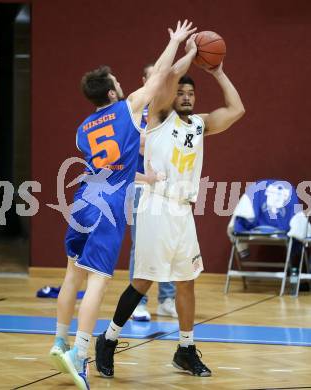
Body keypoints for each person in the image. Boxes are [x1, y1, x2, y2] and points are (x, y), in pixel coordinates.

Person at [49, 20, 197, 390]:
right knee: (98, 282)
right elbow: (162, 73)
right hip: (108, 209)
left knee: (72, 274)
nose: (121, 82)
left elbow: (112, 166)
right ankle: (80, 357)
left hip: (82, 200)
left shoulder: (83, 129)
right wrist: (178, 43)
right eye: (117, 80)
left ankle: (59, 340)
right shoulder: (129, 107)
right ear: (114, 92)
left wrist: (144, 178)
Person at [95, 33, 245, 378]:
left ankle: (186, 349)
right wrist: (188, 51)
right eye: (182, 92)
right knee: (144, 281)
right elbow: (167, 79)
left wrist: (218, 72)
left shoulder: (199, 124)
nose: (187, 97)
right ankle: (109, 338)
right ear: (170, 97)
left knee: (187, 282)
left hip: (182, 210)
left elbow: (237, 110)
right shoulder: (158, 118)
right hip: (155, 206)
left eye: (192, 93)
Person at [130, 63, 177, 322]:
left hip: (169, 187)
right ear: (145, 80)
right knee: (142, 245)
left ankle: (168, 298)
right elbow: (139, 146)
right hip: (142, 186)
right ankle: (139, 302)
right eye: (153, 77)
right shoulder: (137, 110)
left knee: (168, 243)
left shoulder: (170, 112)